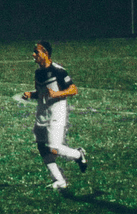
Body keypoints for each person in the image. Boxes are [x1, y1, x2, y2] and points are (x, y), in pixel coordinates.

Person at [22, 41, 88, 189]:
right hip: (42, 112)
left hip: (56, 112)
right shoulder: (38, 73)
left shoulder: (58, 71)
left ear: (45, 53)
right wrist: (31, 95)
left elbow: (73, 90)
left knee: (54, 147)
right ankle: (59, 180)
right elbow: (41, 93)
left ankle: (78, 155)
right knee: (41, 146)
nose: (33, 55)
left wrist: (58, 93)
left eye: (36, 52)